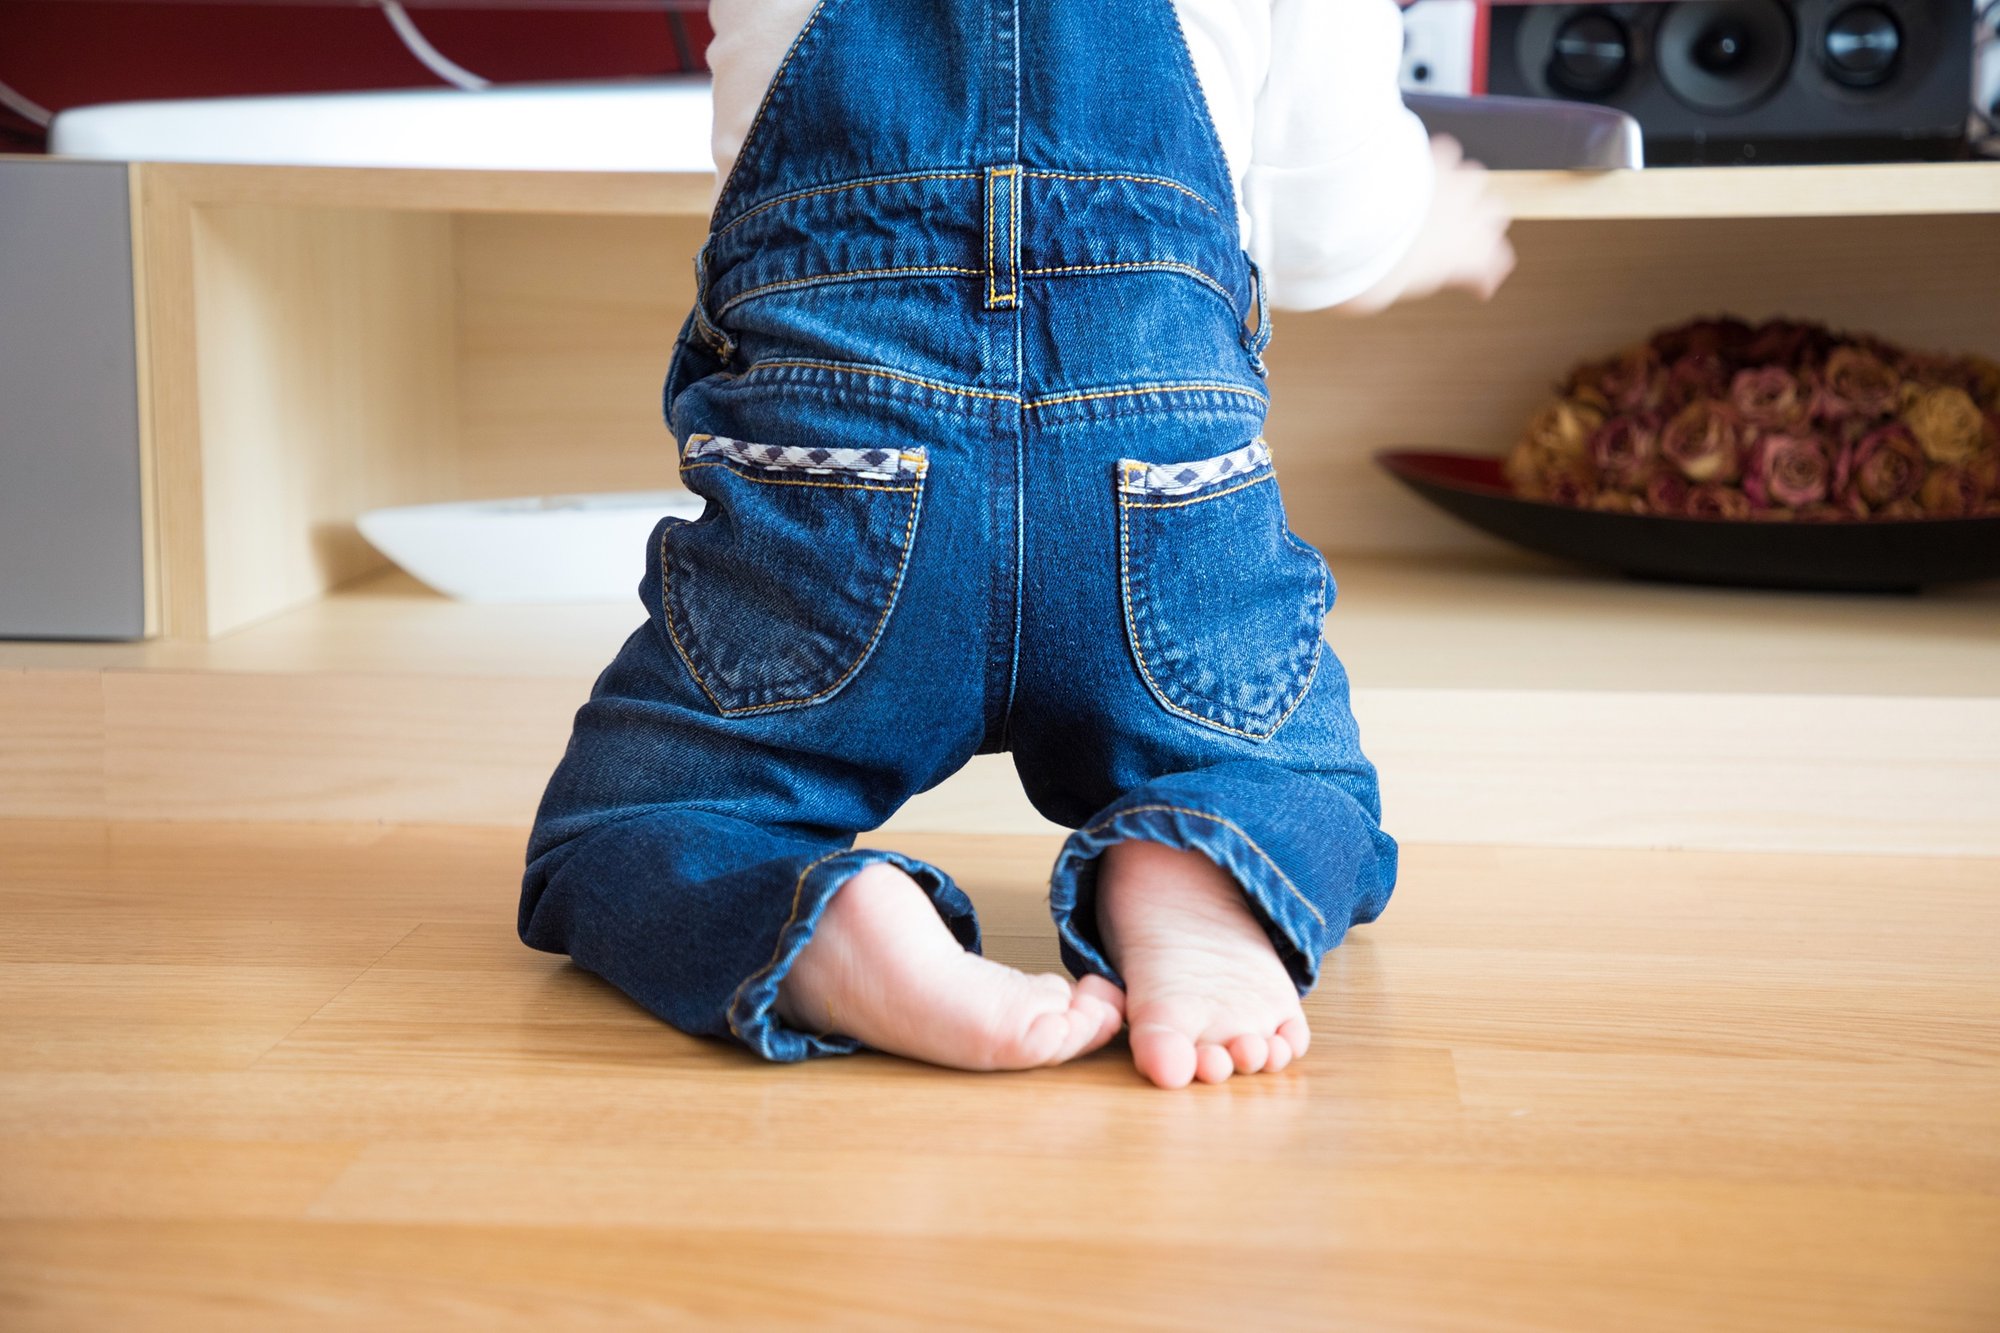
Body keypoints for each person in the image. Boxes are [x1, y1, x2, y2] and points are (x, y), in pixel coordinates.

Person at [518, 0, 1515, 1089]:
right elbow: (1332, 234)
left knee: (635, 822)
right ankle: (1199, 861)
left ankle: (823, 920)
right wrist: (1428, 232)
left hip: (840, 491)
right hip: (1151, 498)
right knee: (1290, 777)